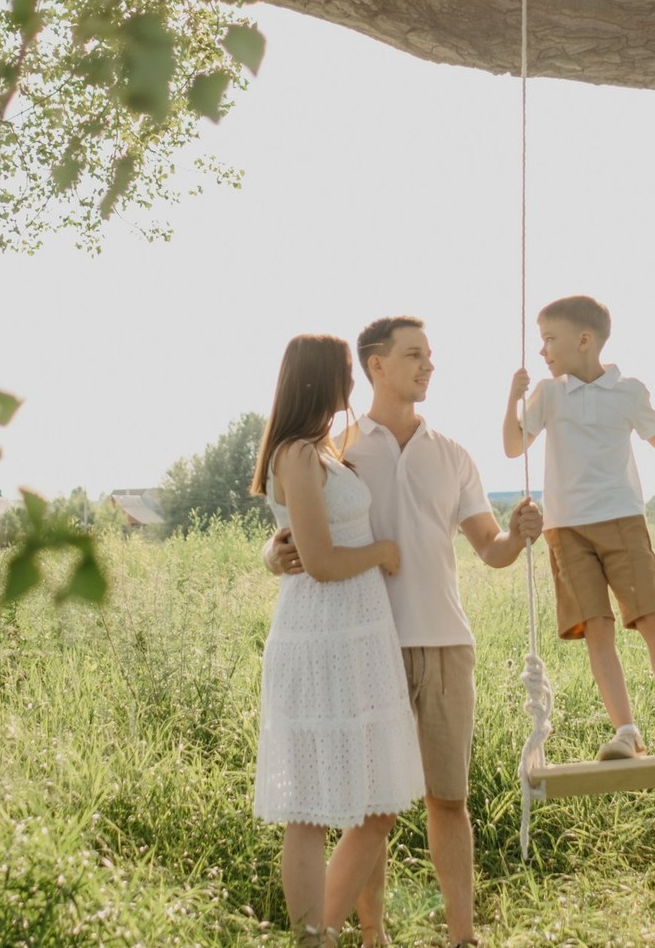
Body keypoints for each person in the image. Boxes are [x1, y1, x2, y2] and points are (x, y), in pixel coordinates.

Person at [269, 316, 543, 948]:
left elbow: (490, 549)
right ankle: (372, 936)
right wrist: (271, 555)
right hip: (365, 646)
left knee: (449, 800)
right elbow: (293, 526)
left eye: (430, 355)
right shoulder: (335, 449)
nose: (428, 366)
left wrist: (518, 535)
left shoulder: (453, 455)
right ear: (376, 365)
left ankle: (462, 938)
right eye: (414, 354)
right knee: (372, 807)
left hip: (445, 642)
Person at [250, 334, 425, 948]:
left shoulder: (323, 449)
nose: (352, 383)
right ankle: (313, 937)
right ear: (319, 377)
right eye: (345, 372)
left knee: (376, 800)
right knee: (309, 809)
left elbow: (296, 541)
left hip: (357, 637)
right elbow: (320, 562)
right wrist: (382, 551)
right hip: (320, 635)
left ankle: (342, 931)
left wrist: (273, 551)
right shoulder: (296, 453)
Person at [502, 294, 655, 762]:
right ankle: (626, 734)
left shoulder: (628, 391)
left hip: (622, 519)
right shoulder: (548, 393)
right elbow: (512, 447)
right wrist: (513, 397)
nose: (542, 350)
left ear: (584, 340)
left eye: (550, 339)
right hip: (567, 529)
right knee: (597, 629)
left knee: (652, 619)